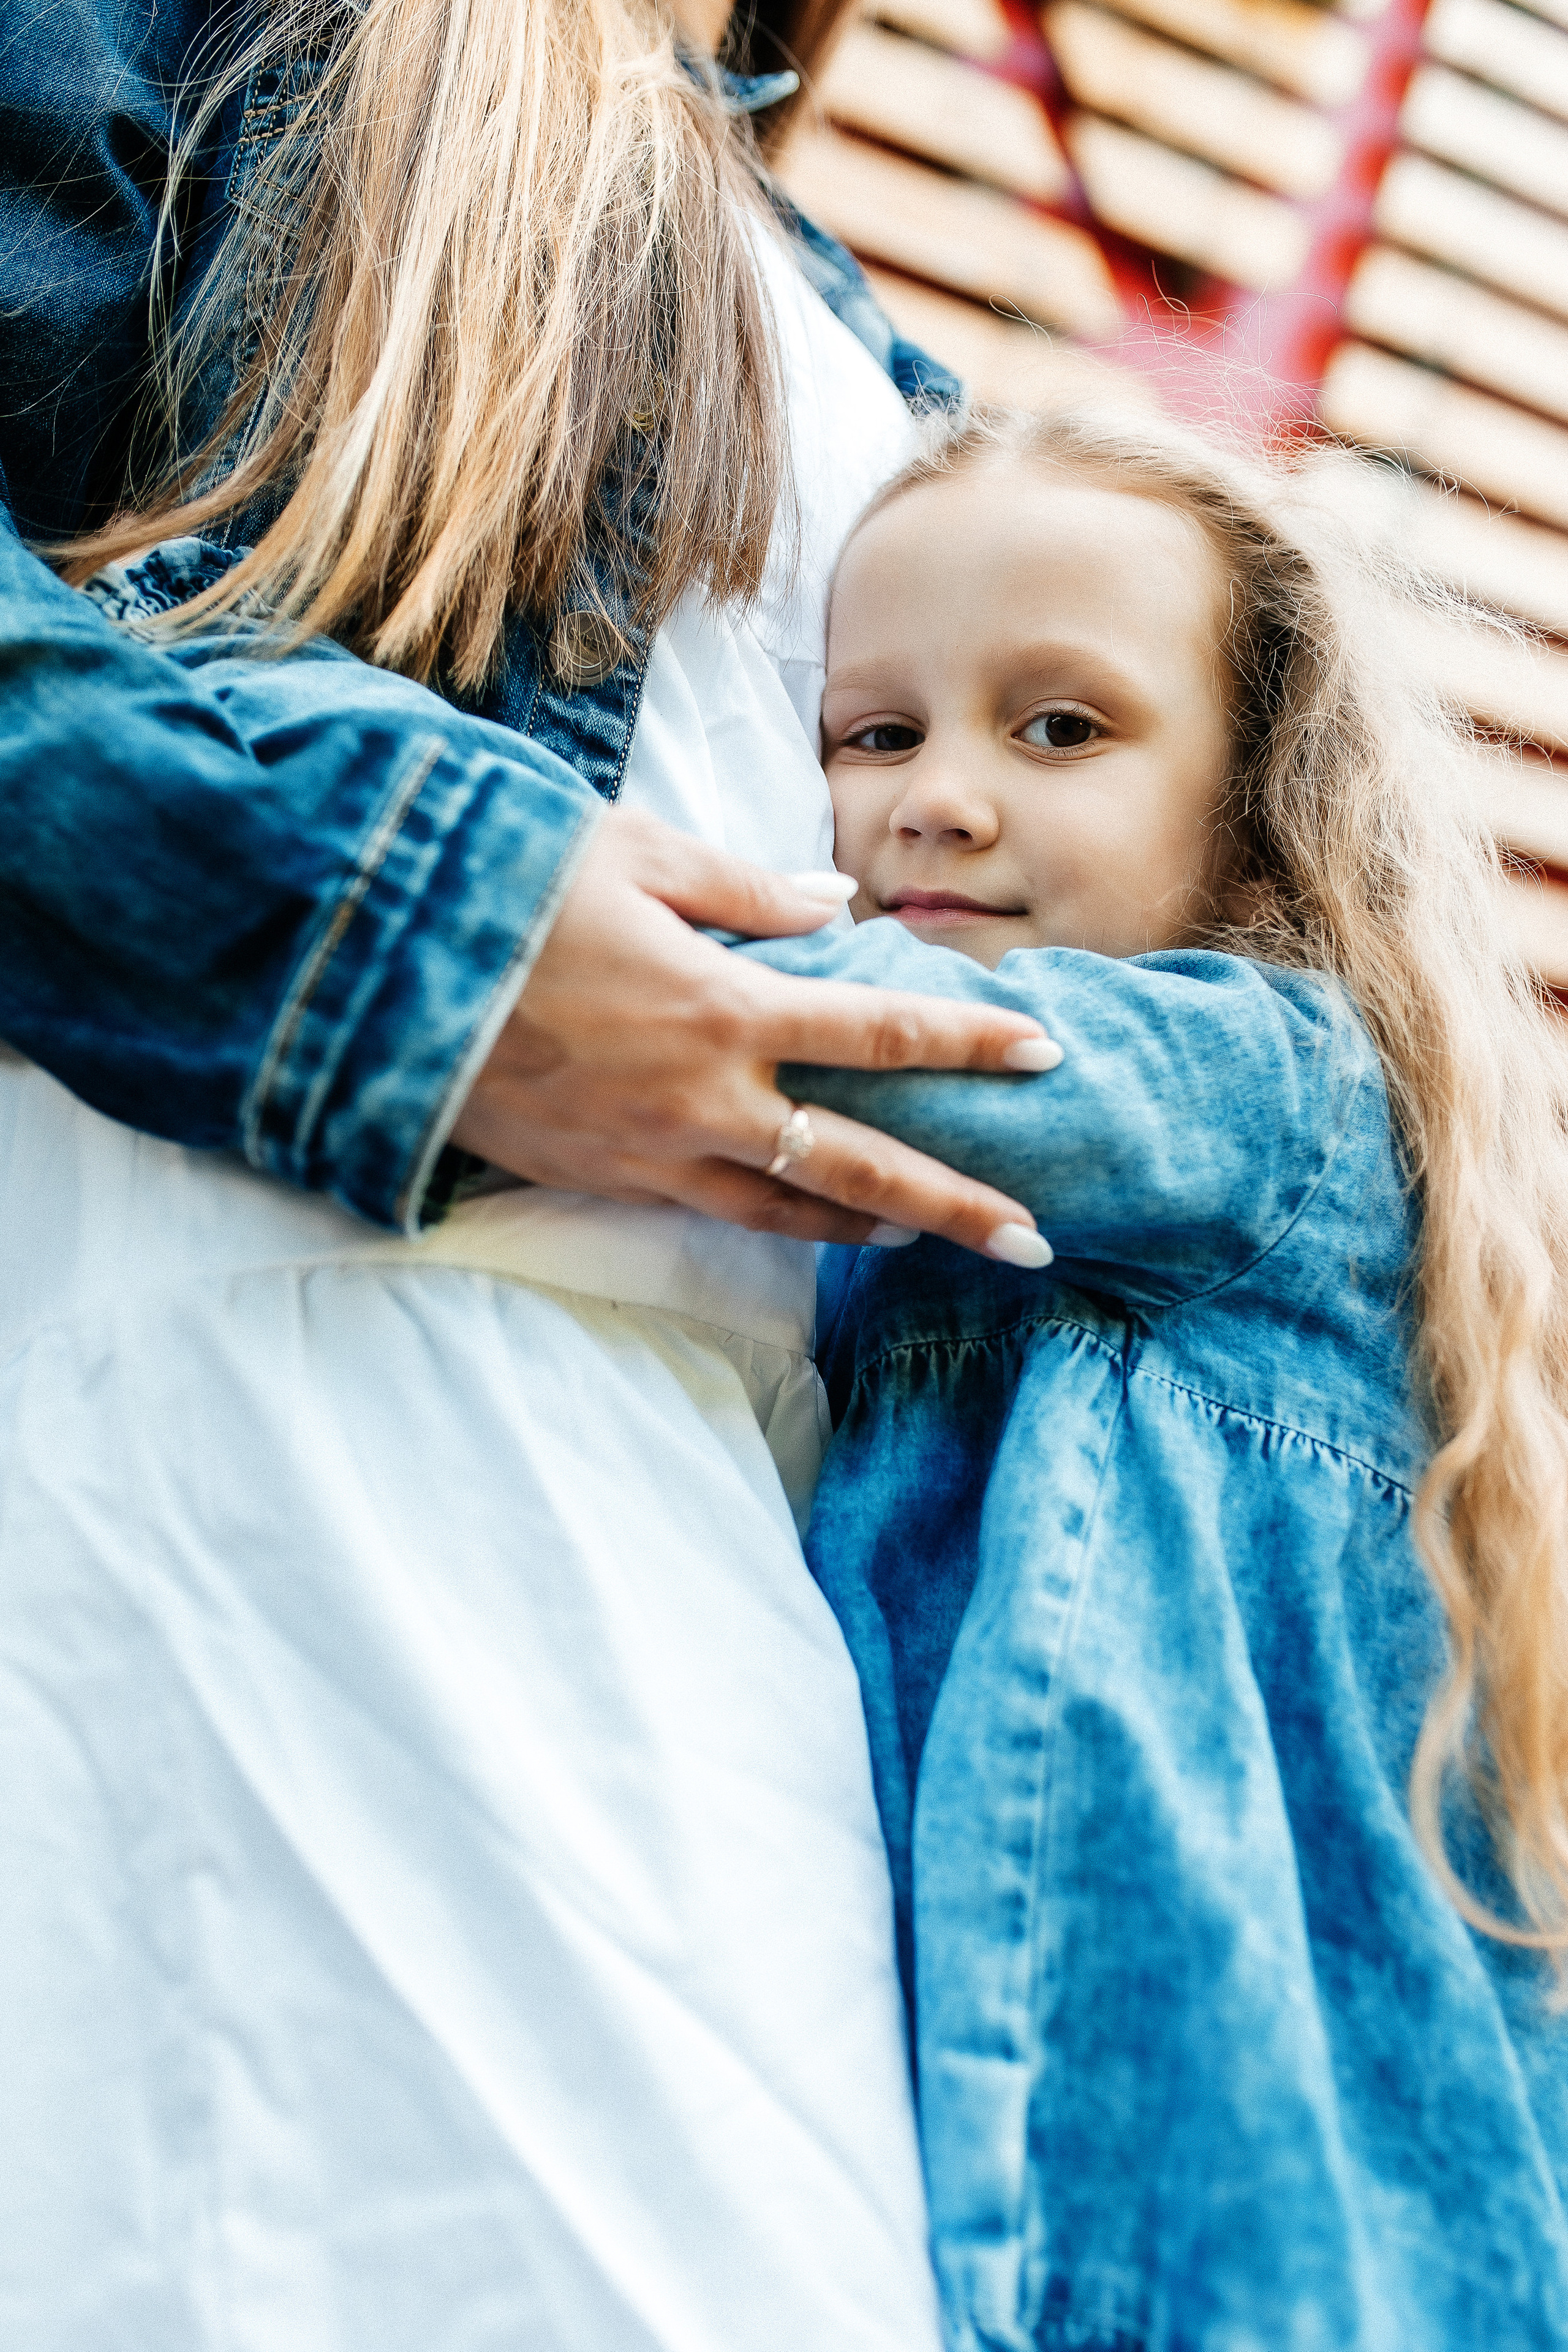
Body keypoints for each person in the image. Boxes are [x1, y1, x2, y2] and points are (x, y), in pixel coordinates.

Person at [0, 6, 1058, 2348]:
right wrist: (418, 944)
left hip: (744, 1580)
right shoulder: (188, 42)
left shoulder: (879, 350)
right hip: (297, 1468)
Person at [739, 407, 1568, 2348]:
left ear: (1251, 805)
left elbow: (871, 1046)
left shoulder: (1253, 1088)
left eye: (1060, 730)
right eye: (875, 732)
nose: (936, 799)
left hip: (1214, 2206)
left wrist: (484, 895)